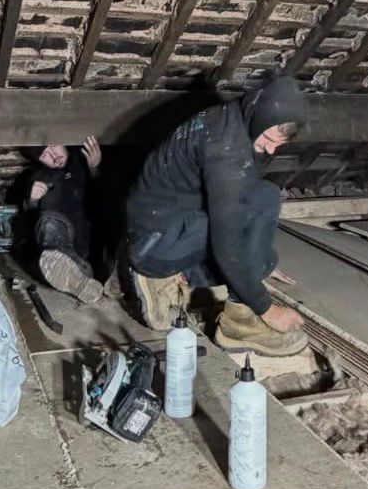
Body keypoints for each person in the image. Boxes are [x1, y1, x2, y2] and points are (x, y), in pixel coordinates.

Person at [124, 73, 305, 354]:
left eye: (278, 144)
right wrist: (266, 309)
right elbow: (228, 240)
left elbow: (246, 200)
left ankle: (190, 274)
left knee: (265, 195)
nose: (271, 149)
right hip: (153, 244)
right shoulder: (227, 150)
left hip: (173, 219)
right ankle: (238, 325)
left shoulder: (233, 118)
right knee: (238, 232)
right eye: (269, 138)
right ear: (258, 115)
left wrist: (259, 258)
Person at [24, 136, 103, 305]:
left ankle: (82, 274)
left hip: (93, 237)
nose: (53, 155)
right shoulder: (40, 177)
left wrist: (95, 168)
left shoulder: (85, 161)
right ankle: (77, 275)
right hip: (61, 240)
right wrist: (32, 201)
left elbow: (108, 195)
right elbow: (26, 221)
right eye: (44, 155)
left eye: (54, 146)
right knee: (49, 223)